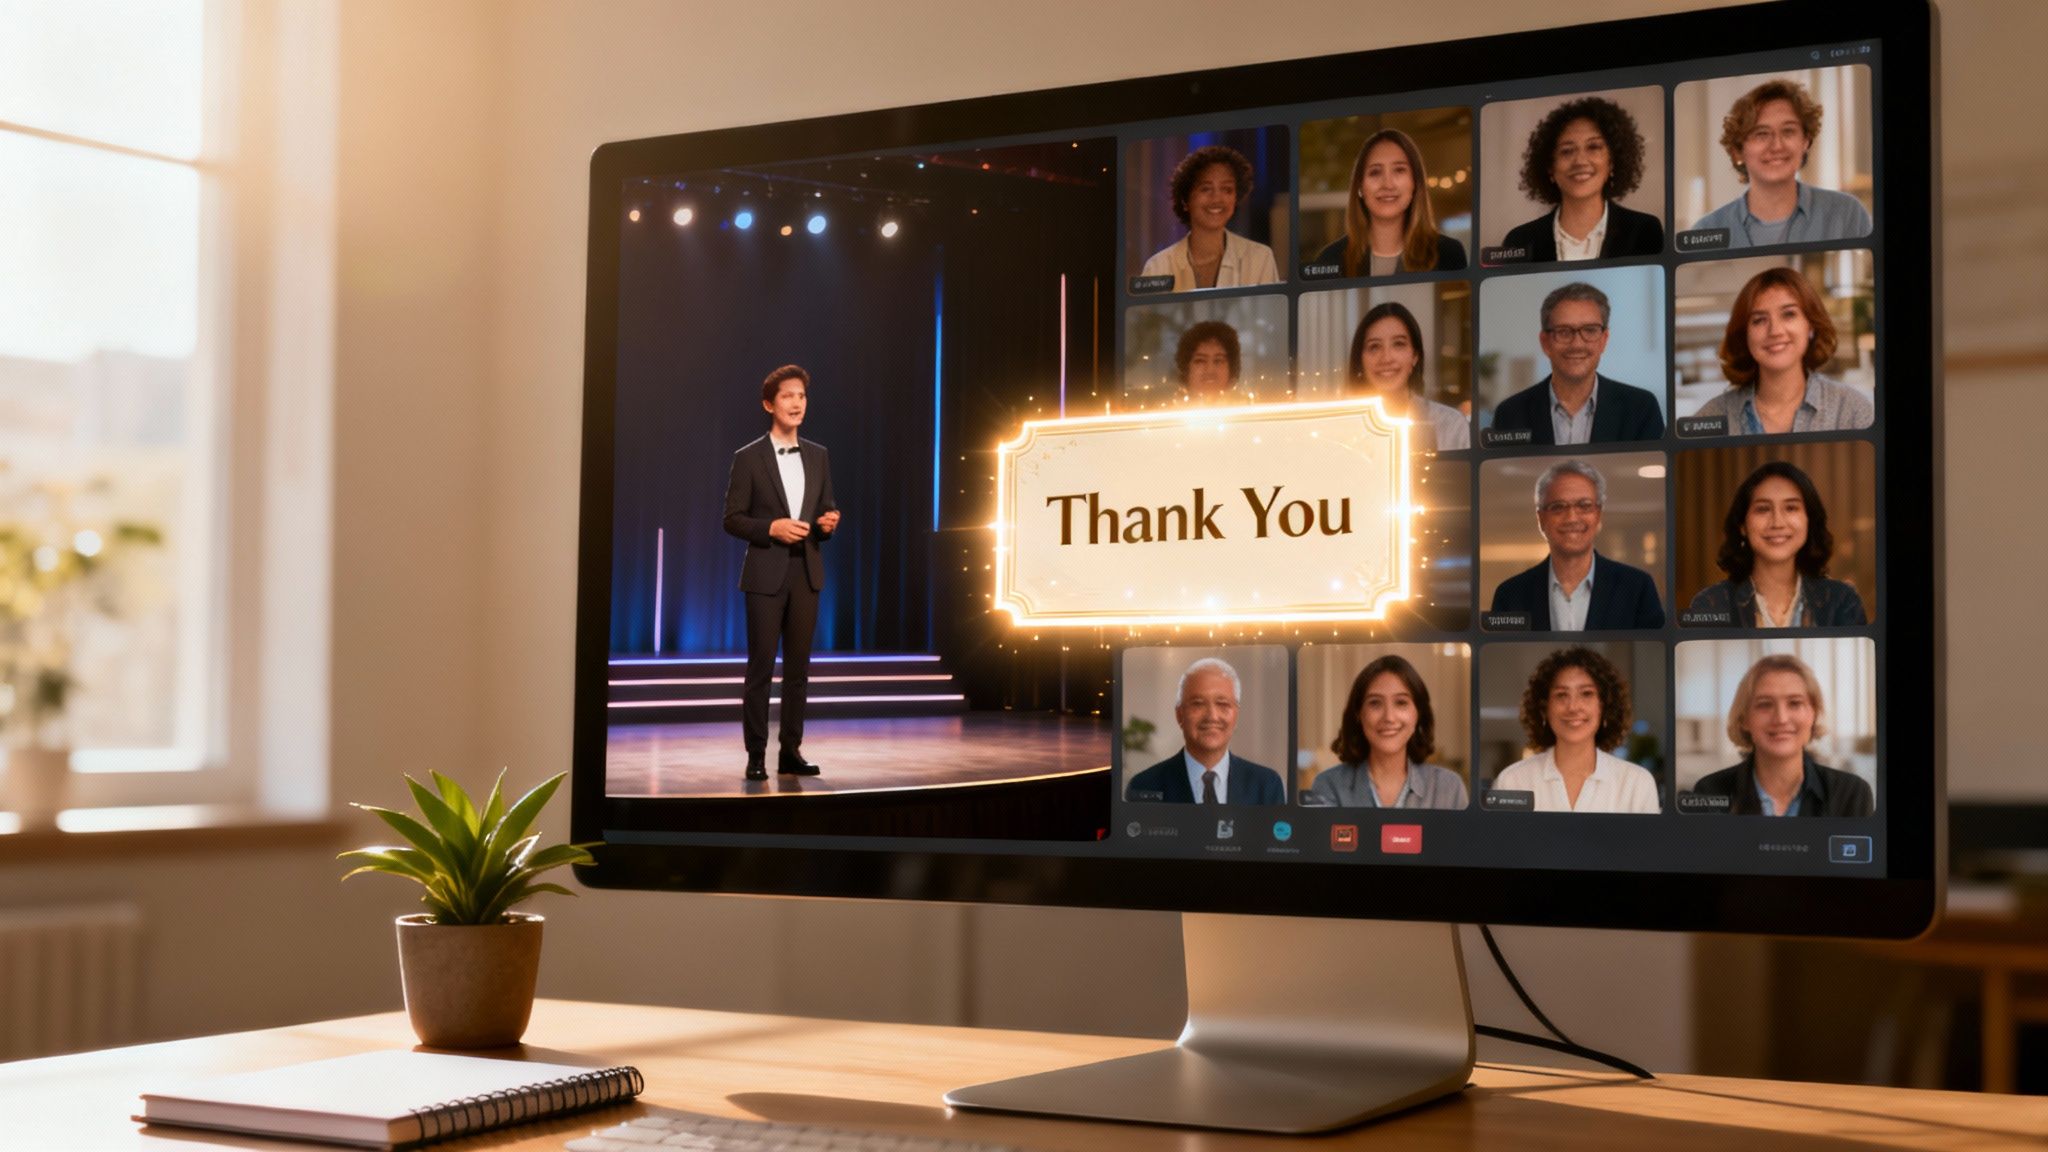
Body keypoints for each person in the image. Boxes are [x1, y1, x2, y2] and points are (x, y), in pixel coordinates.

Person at [722, 364, 841, 782]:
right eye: (788, 396)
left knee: (798, 672)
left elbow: (825, 509)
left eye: (801, 396)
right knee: (760, 670)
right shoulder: (748, 457)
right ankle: (756, 754)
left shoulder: (819, 455)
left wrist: (828, 524)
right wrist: (770, 528)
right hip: (765, 575)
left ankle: (791, 751)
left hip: (806, 572)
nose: (796, 403)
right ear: (769, 404)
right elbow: (732, 519)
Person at [1689, 79, 1872, 248]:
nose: (1777, 146)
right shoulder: (1706, 230)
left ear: (1805, 142)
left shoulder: (1848, 215)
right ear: (1738, 151)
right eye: (1761, 134)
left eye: (1788, 131)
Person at [1686, 653, 1874, 816]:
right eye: (1765, 704)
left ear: (1814, 714)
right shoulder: (1710, 791)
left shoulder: (1852, 793)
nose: (1781, 718)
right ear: (1744, 719)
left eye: (1795, 703)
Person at [1691, 267, 1873, 434]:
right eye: (1759, 320)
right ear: (1744, 335)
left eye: (1789, 314)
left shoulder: (1852, 410)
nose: (1775, 331)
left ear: (1810, 326)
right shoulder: (1711, 416)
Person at [1489, 459, 1665, 630]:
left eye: (1584, 505)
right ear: (1541, 519)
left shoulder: (1637, 587)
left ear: (1598, 515)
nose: (1572, 518)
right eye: (1558, 507)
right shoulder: (1510, 595)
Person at [1686, 461, 1867, 627]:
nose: (1777, 522)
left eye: (1791, 508)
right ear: (1742, 526)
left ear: (1809, 520)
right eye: (1763, 509)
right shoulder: (1711, 604)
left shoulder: (1842, 602)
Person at [1488, 281, 1666, 444]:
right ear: (1545, 342)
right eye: (1564, 331)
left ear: (1604, 340)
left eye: (1590, 330)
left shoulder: (1642, 409)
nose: (1577, 344)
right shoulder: (1509, 414)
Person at [1492, 646, 1660, 814]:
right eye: (1561, 695)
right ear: (1544, 709)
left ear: (1604, 707)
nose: (1573, 707)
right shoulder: (1512, 781)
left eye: (1586, 694)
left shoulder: (1637, 784)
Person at [1499, 96, 1663, 262]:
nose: (1580, 161)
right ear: (1550, 167)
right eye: (1567, 151)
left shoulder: (1644, 232)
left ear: (1612, 162)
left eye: (1593, 147)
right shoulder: (1520, 240)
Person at [1304, 655, 1468, 809]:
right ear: (1358, 714)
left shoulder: (1449, 788)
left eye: (1401, 702)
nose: (1389, 717)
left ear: (1418, 712)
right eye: (1375, 703)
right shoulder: (1328, 786)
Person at [1125, 657, 1286, 805]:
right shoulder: (1144, 786)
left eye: (1222, 704)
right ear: (1179, 715)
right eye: (1198, 704)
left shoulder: (1267, 785)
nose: (1212, 716)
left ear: (1236, 715)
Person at [1312, 128, 1468, 277]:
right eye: (1375, 172)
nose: (1387, 184)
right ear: (1360, 187)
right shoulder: (1330, 259)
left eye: (1399, 170)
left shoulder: (1448, 254)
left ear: (1415, 182)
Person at [1140, 145, 1281, 291]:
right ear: (1185, 201)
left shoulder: (1260, 258)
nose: (1217, 198)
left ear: (1235, 198)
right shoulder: (1158, 267)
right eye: (1206, 189)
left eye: (1226, 189)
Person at [1347, 301, 1469, 450]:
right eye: (1374, 347)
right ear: (1360, 360)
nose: (1386, 358)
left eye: (1398, 344)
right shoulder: (1342, 428)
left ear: (1415, 356)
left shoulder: (1451, 425)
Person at [1174, 320, 1241, 403]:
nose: (1210, 370)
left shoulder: (1248, 408)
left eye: (1218, 361)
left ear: (1231, 368)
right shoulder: (1169, 409)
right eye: (1200, 361)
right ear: (1186, 368)